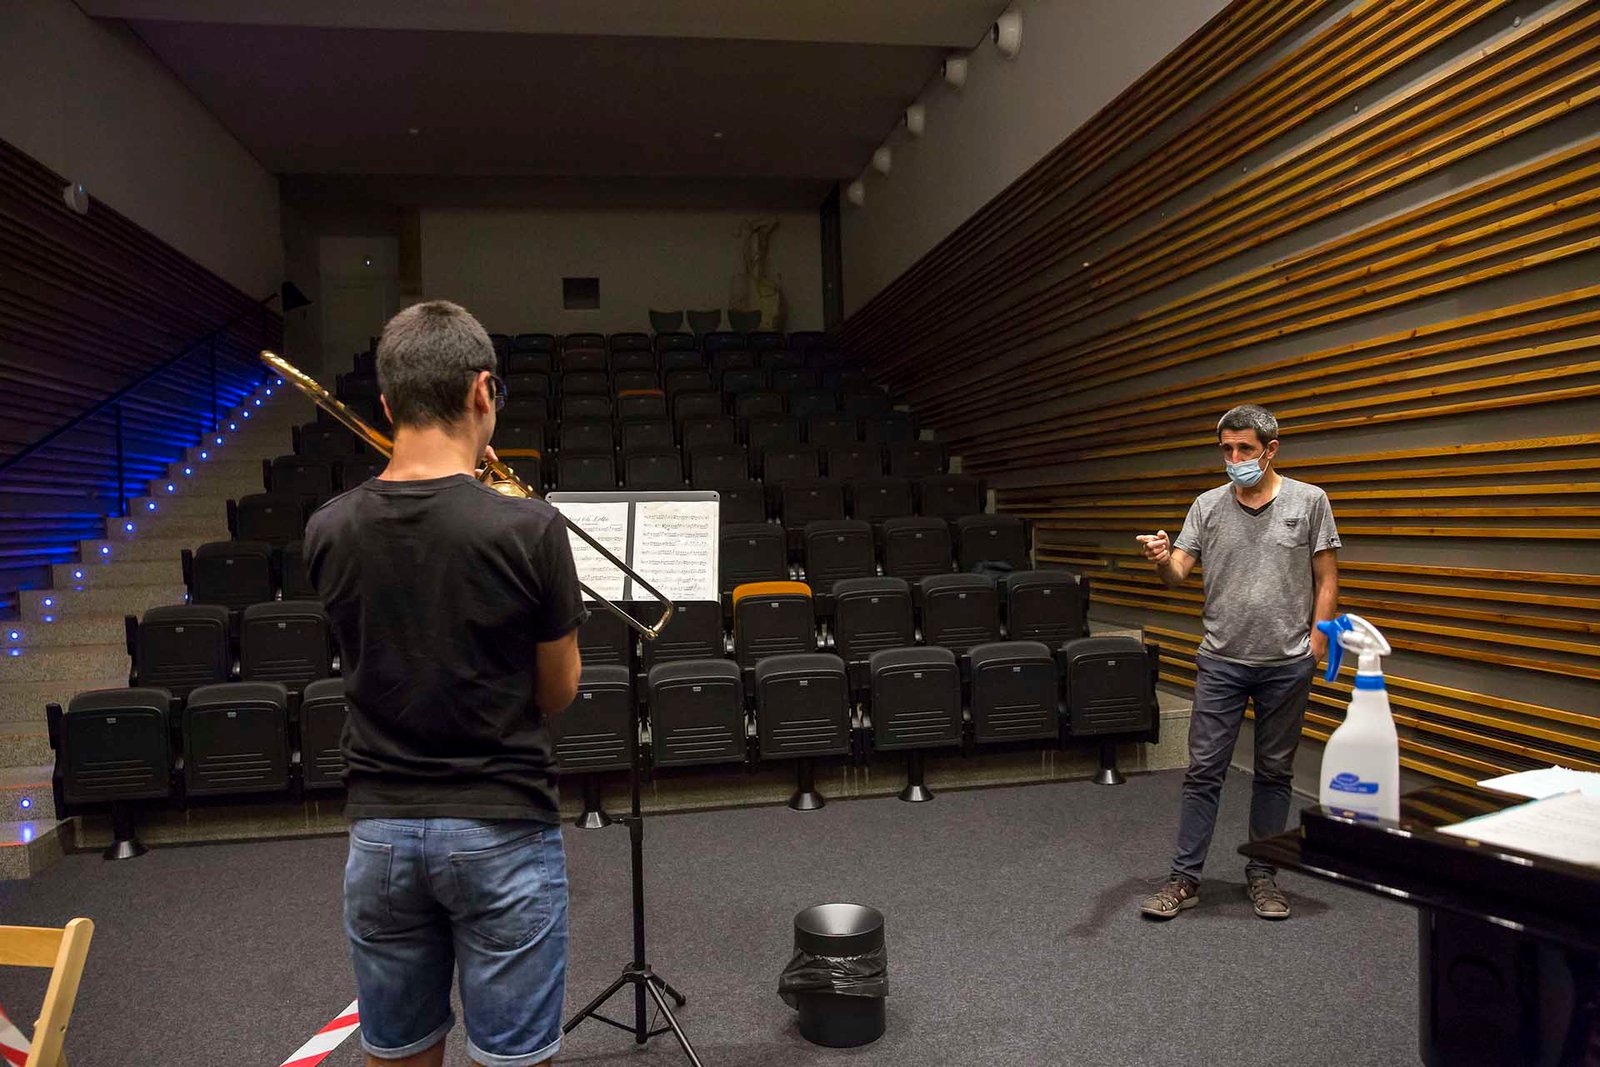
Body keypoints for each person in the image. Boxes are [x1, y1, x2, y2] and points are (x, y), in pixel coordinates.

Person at [306, 300, 585, 1067]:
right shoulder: (530, 529)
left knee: (396, 1052)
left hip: (381, 830)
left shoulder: (327, 527)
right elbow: (557, 689)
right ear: (484, 392)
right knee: (515, 1057)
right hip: (501, 825)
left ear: (388, 403)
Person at [1135, 404, 1339, 921]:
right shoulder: (1206, 505)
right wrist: (1163, 559)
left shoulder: (1309, 500)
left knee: (1273, 772)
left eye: (1244, 448)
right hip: (1222, 659)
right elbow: (1179, 571)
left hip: (1286, 662)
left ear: (1270, 449)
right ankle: (1185, 878)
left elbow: (1327, 578)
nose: (1234, 458)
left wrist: (1317, 642)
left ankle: (1264, 876)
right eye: (1226, 449)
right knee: (1204, 770)